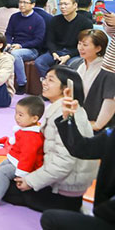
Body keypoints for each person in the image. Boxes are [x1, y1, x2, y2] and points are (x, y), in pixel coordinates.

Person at [3, 65, 98, 212]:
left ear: (66, 88)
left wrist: (31, 181)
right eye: (45, 78)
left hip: (64, 190)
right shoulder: (64, 108)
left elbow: (64, 162)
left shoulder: (66, 114)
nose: (44, 83)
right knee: (8, 175)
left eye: (51, 80)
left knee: (7, 188)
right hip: (64, 182)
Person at [40, 90, 115, 229]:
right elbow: (82, 148)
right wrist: (67, 118)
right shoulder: (112, 134)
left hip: (107, 214)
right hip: (103, 211)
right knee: (51, 217)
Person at [0, 96, 46, 209]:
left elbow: (27, 158)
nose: (16, 117)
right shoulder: (27, 128)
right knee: (5, 162)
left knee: (4, 171)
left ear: (34, 118)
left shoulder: (32, 137)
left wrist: (21, 175)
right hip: (16, 159)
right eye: (16, 113)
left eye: (21, 115)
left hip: (26, 166)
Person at [34, 0, 93, 79]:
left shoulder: (86, 23)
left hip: (74, 53)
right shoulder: (54, 20)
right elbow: (50, 40)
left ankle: (65, 85)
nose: (62, 7)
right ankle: (52, 82)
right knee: (39, 62)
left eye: (66, 4)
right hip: (56, 51)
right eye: (60, 4)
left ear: (75, 5)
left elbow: (84, 45)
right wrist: (54, 53)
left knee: (72, 65)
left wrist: (68, 56)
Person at [6, 0, 46, 95]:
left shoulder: (38, 20)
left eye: (25, 2)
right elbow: (8, 33)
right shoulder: (14, 17)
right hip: (14, 46)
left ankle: (21, 83)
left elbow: (38, 40)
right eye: (20, 2)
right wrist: (8, 43)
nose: (22, 5)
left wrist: (21, 46)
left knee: (15, 54)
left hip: (31, 49)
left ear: (33, 5)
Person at [76, 28, 115, 132]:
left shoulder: (107, 71)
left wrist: (98, 124)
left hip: (99, 124)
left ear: (98, 48)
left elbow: (110, 100)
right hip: (81, 117)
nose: (80, 48)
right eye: (79, 44)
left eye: (85, 45)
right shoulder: (80, 66)